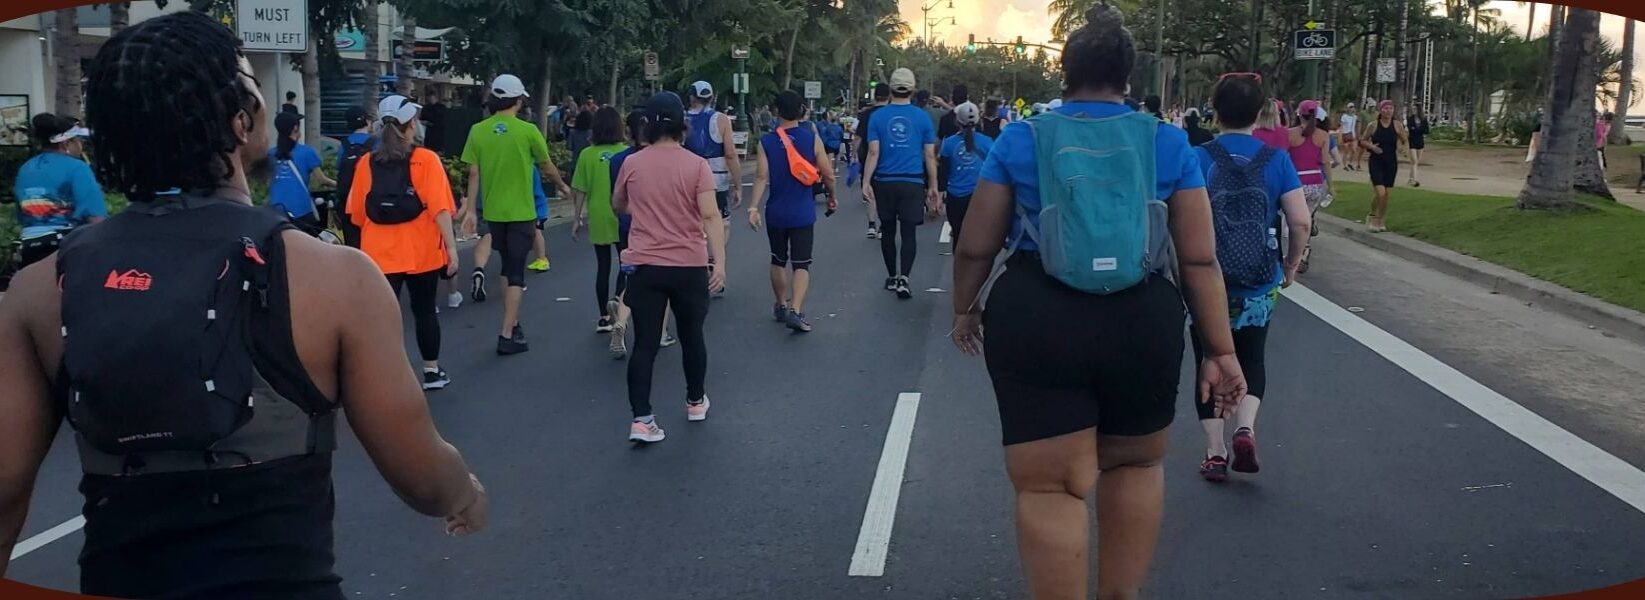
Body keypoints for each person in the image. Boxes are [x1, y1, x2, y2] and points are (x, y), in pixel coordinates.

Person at [0, 13, 486, 597]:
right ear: (241, 120)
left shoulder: (39, 288)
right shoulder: (335, 278)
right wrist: (463, 492)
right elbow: (417, 472)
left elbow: (4, 484)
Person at [948, 6, 1246, 598]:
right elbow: (1198, 259)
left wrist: (966, 307)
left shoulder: (1021, 137)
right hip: (1142, 318)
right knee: (1134, 466)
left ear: (1065, 74)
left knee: (1048, 487)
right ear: (1128, 79)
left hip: (1038, 317)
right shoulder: (1167, 141)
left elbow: (976, 246)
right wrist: (1222, 349)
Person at [1193, 76, 1310, 482]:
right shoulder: (1276, 159)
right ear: (1262, 111)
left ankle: (1214, 451)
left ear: (1214, 108)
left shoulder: (1198, 157)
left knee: (1207, 358)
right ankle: (1245, 427)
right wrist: (1291, 265)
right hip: (1260, 281)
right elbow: (1300, 220)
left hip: (1208, 281)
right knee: (1253, 356)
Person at [612, 92, 728, 443]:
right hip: (688, 264)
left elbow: (618, 204)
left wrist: (645, 213)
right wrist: (718, 261)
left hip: (646, 265)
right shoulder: (696, 165)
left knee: (645, 342)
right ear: (683, 124)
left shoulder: (633, 163)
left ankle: (642, 419)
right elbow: (710, 215)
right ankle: (695, 401)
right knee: (692, 336)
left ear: (647, 124)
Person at [346, 95, 459, 390]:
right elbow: (440, 210)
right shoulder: (427, 159)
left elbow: (356, 215)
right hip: (422, 253)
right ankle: (431, 371)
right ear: (412, 124)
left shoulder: (366, 163)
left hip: (379, 255)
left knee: (383, 317)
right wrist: (452, 249)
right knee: (424, 311)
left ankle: (383, 376)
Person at [460, 73, 572, 355]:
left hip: (495, 212)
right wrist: (561, 186)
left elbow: (473, 171)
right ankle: (507, 333)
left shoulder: (477, 130)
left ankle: (513, 320)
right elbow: (546, 166)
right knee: (516, 270)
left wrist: (471, 209)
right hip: (522, 211)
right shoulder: (528, 131)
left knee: (506, 263)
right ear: (518, 100)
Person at [749, 90, 837, 333]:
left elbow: (761, 176)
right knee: (801, 263)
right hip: (802, 211)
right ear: (802, 111)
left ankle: (781, 304)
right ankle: (796, 310)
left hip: (776, 211)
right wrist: (832, 196)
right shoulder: (811, 139)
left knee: (778, 259)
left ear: (776, 111)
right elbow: (828, 174)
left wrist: (753, 207)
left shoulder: (766, 142)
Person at [863, 67, 940, 299]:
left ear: (892, 89)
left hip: (884, 181)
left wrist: (866, 180)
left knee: (887, 231)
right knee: (908, 233)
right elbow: (929, 155)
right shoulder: (922, 117)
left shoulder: (877, 117)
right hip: (912, 182)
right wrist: (934, 185)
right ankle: (905, 278)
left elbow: (873, 152)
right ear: (912, 89)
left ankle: (892, 275)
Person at [9, 114, 106, 269]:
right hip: (65, 249)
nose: (81, 145)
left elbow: (21, 215)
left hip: (28, 248)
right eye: (79, 141)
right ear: (66, 143)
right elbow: (95, 217)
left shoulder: (25, 168)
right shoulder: (77, 168)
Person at [571, 106, 630, 333]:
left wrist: (576, 218)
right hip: (622, 213)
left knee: (602, 266)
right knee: (626, 264)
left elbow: (580, 189)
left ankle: (603, 317)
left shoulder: (587, 154)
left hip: (597, 213)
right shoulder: (625, 153)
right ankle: (618, 300)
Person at [684, 81, 743, 267]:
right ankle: (713, 259)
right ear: (710, 97)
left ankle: (695, 258)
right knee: (722, 222)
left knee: (692, 222)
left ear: (691, 96)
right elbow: (731, 154)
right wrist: (738, 185)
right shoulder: (721, 119)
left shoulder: (682, 120)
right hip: (716, 178)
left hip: (688, 177)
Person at [937, 101, 994, 244]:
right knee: (979, 237)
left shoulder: (949, 143)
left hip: (956, 196)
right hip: (980, 195)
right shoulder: (988, 143)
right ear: (978, 120)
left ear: (957, 121)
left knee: (958, 235)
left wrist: (939, 195)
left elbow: (943, 171)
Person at [268, 111, 337, 227]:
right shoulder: (306, 151)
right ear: (295, 128)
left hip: (276, 210)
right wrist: (339, 184)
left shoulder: (270, 154)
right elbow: (321, 179)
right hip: (301, 209)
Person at [1289, 100, 1334, 274]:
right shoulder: (1323, 135)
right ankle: (1304, 248)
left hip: (1295, 184)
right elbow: (1325, 162)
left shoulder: (1290, 135)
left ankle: (1298, 251)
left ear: (1299, 114)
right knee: (1306, 219)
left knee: (1293, 222)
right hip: (1315, 184)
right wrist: (1331, 186)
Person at [1359, 99, 1408, 232]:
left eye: (1391, 109)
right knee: (1380, 192)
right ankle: (1374, 219)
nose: (1388, 111)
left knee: (1386, 194)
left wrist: (1404, 149)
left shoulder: (1397, 125)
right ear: (1381, 110)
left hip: (1391, 161)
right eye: (1386, 108)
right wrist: (1371, 147)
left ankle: (1379, 218)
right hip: (1376, 161)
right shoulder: (1373, 125)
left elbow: (1405, 140)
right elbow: (1362, 140)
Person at [335, 106, 376, 249]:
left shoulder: (344, 144)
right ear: (368, 122)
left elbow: (338, 167)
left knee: (352, 241)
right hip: (369, 200)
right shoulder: (375, 143)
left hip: (348, 201)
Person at [856, 83, 892, 239]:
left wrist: (853, 155)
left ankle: (871, 225)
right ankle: (884, 226)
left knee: (870, 190)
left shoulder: (866, 115)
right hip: (888, 158)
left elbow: (857, 137)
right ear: (889, 96)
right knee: (886, 194)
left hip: (868, 156)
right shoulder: (891, 114)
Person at [1407, 105, 1430, 187]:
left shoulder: (1423, 119)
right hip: (1412, 141)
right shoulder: (1410, 119)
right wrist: (1418, 130)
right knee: (1414, 161)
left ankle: (1410, 178)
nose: (1413, 110)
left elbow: (1426, 130)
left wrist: (1417, 130)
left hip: (1420, 142)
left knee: (1416, 162)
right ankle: (1414, 180)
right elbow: (1411, 129)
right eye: (1413, 109)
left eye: (1415, 109)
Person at [1338, 102, 1361, 171]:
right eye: (1350, 107)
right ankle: (1344, 165)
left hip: (1352, 134)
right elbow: (1341, 126)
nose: (1352, 109)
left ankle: (1350, 163)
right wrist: (1340, 135)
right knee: (1346, 151)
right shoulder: (1344, 116)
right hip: (1346, 134)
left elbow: (1357, 125)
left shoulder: (1355, 117)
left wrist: (1358, 134)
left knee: (1354, 150)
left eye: (1353, 107)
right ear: (1348, 108)